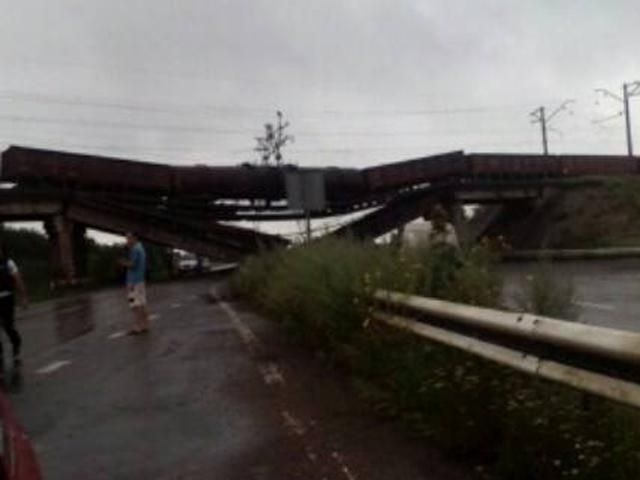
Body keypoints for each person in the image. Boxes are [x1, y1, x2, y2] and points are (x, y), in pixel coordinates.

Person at [0, 244, 29, 367]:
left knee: (8, 326)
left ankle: (16, 343)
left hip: (7, 298)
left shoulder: (9, 263)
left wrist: (24, 297)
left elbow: (18, 279)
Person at [119, 232, 150, 335]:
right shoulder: (141, 248)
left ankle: (137, 327)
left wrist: (122, 262)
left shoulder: (135, 249)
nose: (127, 241)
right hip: (140, 280)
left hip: (133, 282)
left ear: (134, 238)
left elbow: (132, 265)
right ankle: (145, 325)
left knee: (134, 305)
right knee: (142, 303)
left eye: (128, 238)